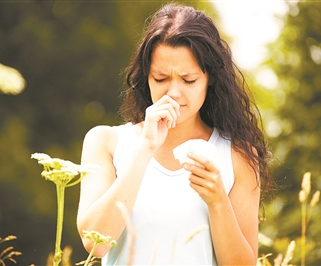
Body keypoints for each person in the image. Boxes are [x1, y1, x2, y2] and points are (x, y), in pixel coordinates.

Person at [77, 3, 274, 265]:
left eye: (188, 80)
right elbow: (95, 243)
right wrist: (145, 149)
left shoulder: (236, 155)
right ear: (145, 77)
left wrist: (217, 202)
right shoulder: (106, 142)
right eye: (160, 79)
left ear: (210, 78)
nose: (174, 93)